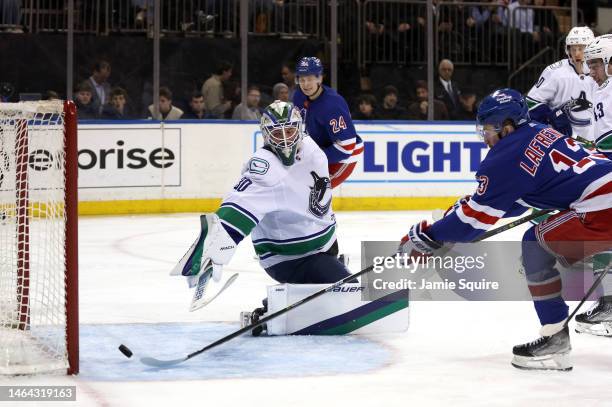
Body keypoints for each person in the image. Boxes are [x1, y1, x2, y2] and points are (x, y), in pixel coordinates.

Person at [398, 89, 612, 371]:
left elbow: (473, 221)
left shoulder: (507, 156)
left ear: (507, 127)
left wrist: (430, 236)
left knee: (535, 247)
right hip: (603, 191)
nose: (484, 137)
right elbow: (511, 203)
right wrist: (447, 227)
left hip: (602, 206)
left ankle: (554, 340)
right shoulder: (537, 130)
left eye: (487, 129)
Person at [172, 101, 351, 335]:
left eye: (290, 131)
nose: (285, 139)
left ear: (300, 128)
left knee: (339, 293)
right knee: (353, 295)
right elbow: (238, 206)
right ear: (266, 134)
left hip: (324, 246)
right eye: (277, 133)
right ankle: (272, 311)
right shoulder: (264, 168)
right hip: (291, 259)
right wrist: (211, 249)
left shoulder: (311, 146)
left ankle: (315, 285)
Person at [572, 35, 612, 337]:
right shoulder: (601, 90)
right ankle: (609, 303)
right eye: (591, 63)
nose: (591, 70)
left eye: (597, 63)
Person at [292, 56, 363, 188]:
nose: (306, 84)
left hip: (343, 157)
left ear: (320, 78)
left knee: (313, 191)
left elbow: (346, 147)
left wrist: (312, 157)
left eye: (310, 79)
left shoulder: (333, 105)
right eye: (302, 79)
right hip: (320, 148)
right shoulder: (298, 96)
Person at [526, 26, 596, 141]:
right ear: (567, 50)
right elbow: (530, 103)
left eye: (581, 48)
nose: (577, 54)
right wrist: (551, 116)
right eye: (573, 49)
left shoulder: (602, 73)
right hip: (564, 144)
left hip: (596, 145)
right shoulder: (555, 72)